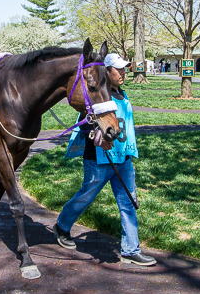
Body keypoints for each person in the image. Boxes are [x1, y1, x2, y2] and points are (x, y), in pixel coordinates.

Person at [53, 53, 156, 266]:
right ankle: (62, 225)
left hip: (123, 158)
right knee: (86, 196)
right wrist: (96, 137)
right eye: (119, 69)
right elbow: (84, 123)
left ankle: (130, 250)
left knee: (128, 202)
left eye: (125, 69)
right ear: (106, 71)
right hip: (98, 159)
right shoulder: (97, 97)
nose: (123, 73)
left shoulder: (121, 93)